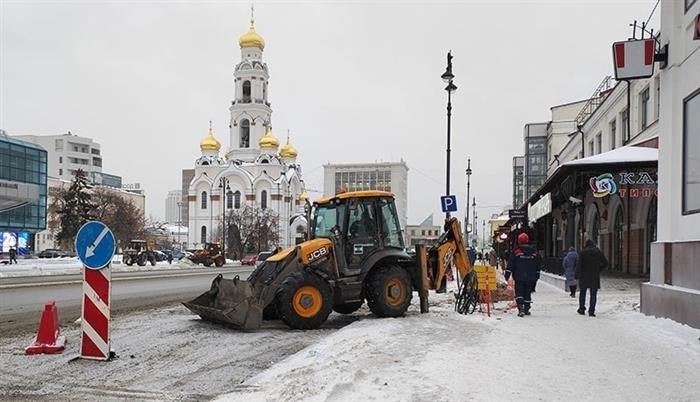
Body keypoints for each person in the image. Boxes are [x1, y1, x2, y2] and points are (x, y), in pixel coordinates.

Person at [508, 233, 542, 317]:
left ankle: (521, 309)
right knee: (527, 292)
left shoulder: (516, 251)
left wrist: (507, 273)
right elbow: (538, 264)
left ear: (519, 241)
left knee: (519, 291)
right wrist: (537, 275)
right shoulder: (534, 252)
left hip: (519, 276)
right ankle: (527, 308)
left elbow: (511, 263)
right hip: (530, 276)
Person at [575, 239, 608, 317]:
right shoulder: (598, 252)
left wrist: (576, 275)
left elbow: (579, 265)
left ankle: (582, 309)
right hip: (594, 276)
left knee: (582, 293)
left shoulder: (583, 252)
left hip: (584, 276)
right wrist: (599, 269)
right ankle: (591, 311)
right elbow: (605, 263)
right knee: (593, 294)